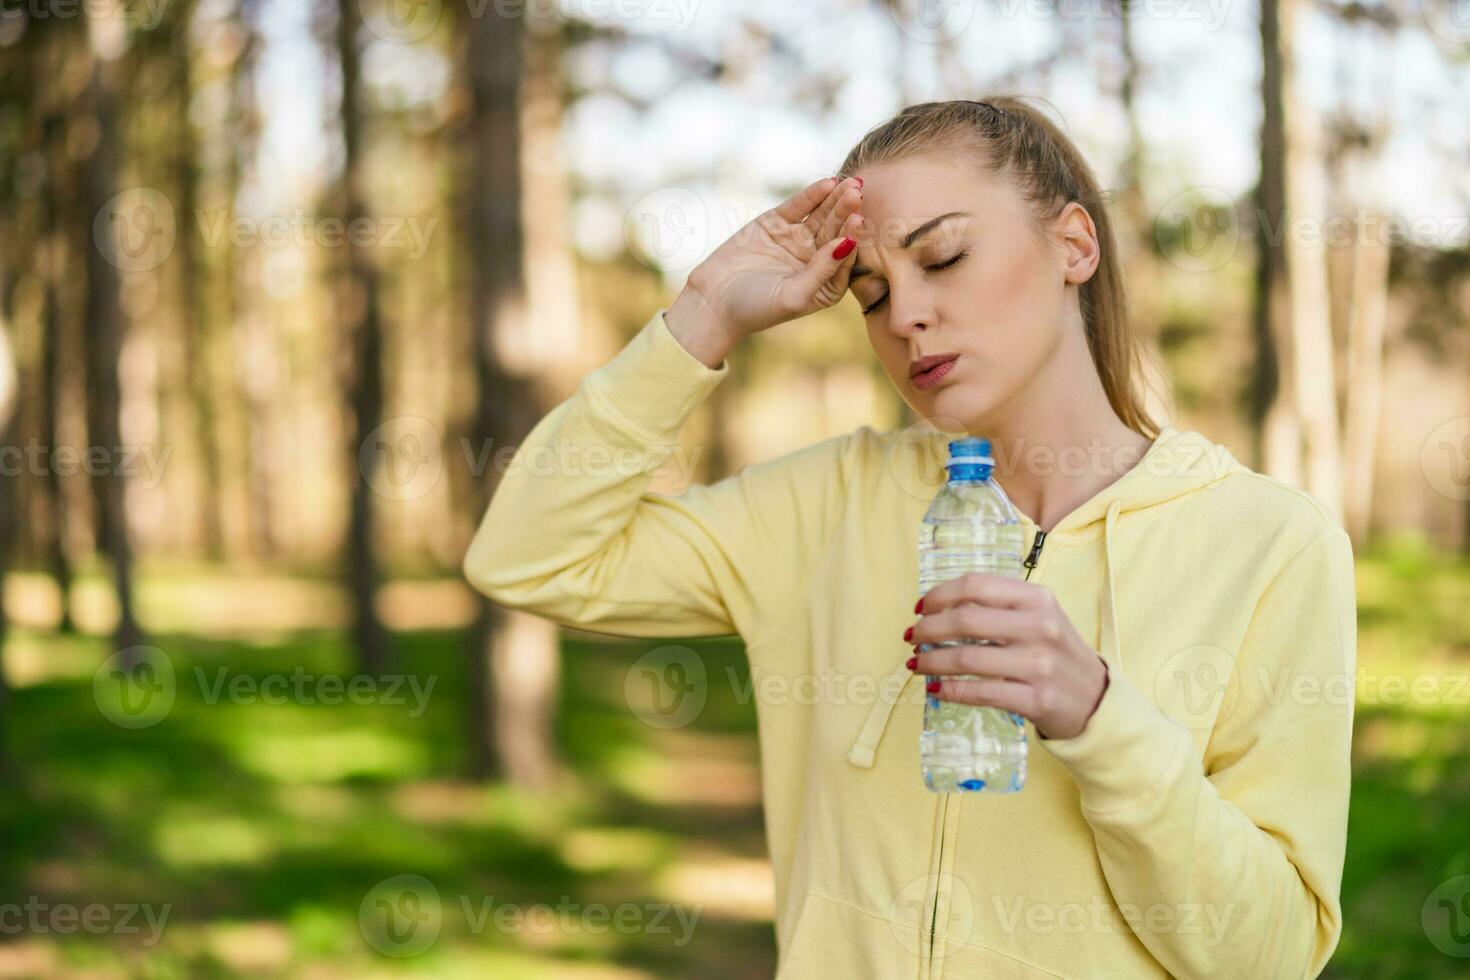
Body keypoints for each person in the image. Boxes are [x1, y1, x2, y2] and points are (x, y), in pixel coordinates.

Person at [463, 97, 1356, 979]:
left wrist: (1099, 718)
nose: (904, 317)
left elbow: (1269, 955)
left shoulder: (1271, 545)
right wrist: (704, 313)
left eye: (945, 256)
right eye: (872, 293)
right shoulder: (831, 503)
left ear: (1074, 244)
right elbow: (529, 555)